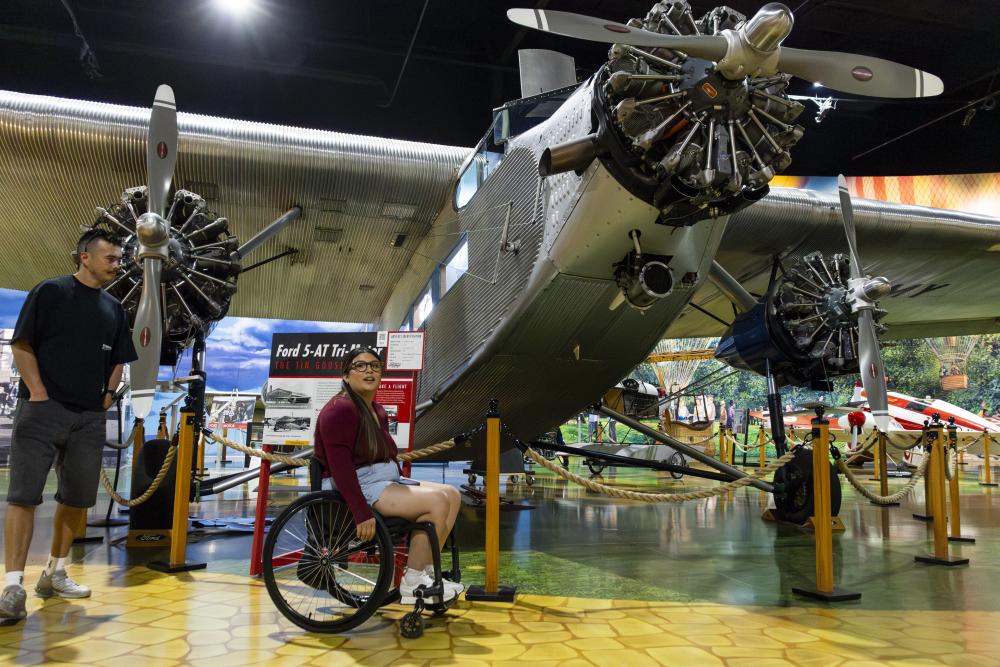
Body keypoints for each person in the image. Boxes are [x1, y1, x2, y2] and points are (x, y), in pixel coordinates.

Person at [1, 229, 137, 625]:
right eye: (110, 258)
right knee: (24, 496)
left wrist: (108, 397)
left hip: (89, 417)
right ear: (85, 257)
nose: (117, 265)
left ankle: (55, 573)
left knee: (77, 499)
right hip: (43, 412)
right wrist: (39, 392)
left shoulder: (115, 308)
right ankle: (12, 586)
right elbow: (22, 344)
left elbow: (119, 358)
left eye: (118, 259)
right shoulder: (50, 292)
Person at [314, 347, 463, 604]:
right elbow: (340, 467)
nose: (369, 370)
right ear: (346, 375)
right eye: (360, 366)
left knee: (452, 494)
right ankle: (412, 581)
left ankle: (427, 571)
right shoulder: (340, 410)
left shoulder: (376, 410)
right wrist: (361, 512)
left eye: (374, 366)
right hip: (356, 483)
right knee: (437, 502)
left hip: (383, 478)